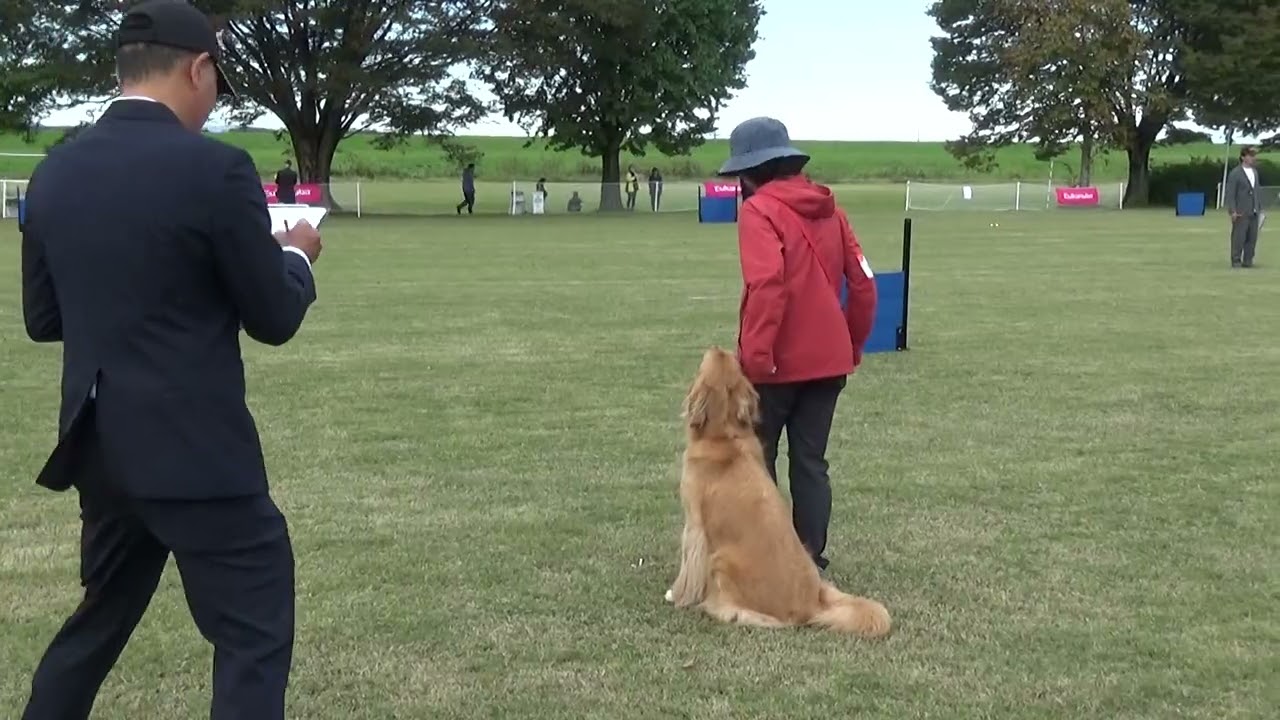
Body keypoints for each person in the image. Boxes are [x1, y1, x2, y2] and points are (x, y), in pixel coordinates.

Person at [18, 2, 321, 718]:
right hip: (195, 454)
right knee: (252, 630)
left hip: (100, 446)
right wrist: (295, 259)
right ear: (198, 68)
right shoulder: (216, 171)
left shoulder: (55, 173)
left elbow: (44, 319)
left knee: (96, 625)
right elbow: (273, 317)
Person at [717, 116, 876, 572]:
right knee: (811, 461)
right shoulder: (832, 209)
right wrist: (852, 343)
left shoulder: (758, 211)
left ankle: (766, 558)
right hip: (829, 363)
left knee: (755, 458)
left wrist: (756, 358)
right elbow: (864, 285)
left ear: (750, 174)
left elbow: (768, 286)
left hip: (776, 365)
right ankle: (809, 556)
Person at [1224, 145, 1263, 268]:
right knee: (1239, 237)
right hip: (1241, 211)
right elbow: (1230, 193)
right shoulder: (1235, 173)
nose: (1253, 158)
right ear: (1243, 157)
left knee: (1252, 238)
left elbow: (1256, 191)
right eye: (1250, 155)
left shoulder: (1255, 172)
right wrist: (1233, 211)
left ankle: (1248, 260)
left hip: (1254, 210)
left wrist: (1259, 208)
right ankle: (1236, 260)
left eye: (1253, 156)